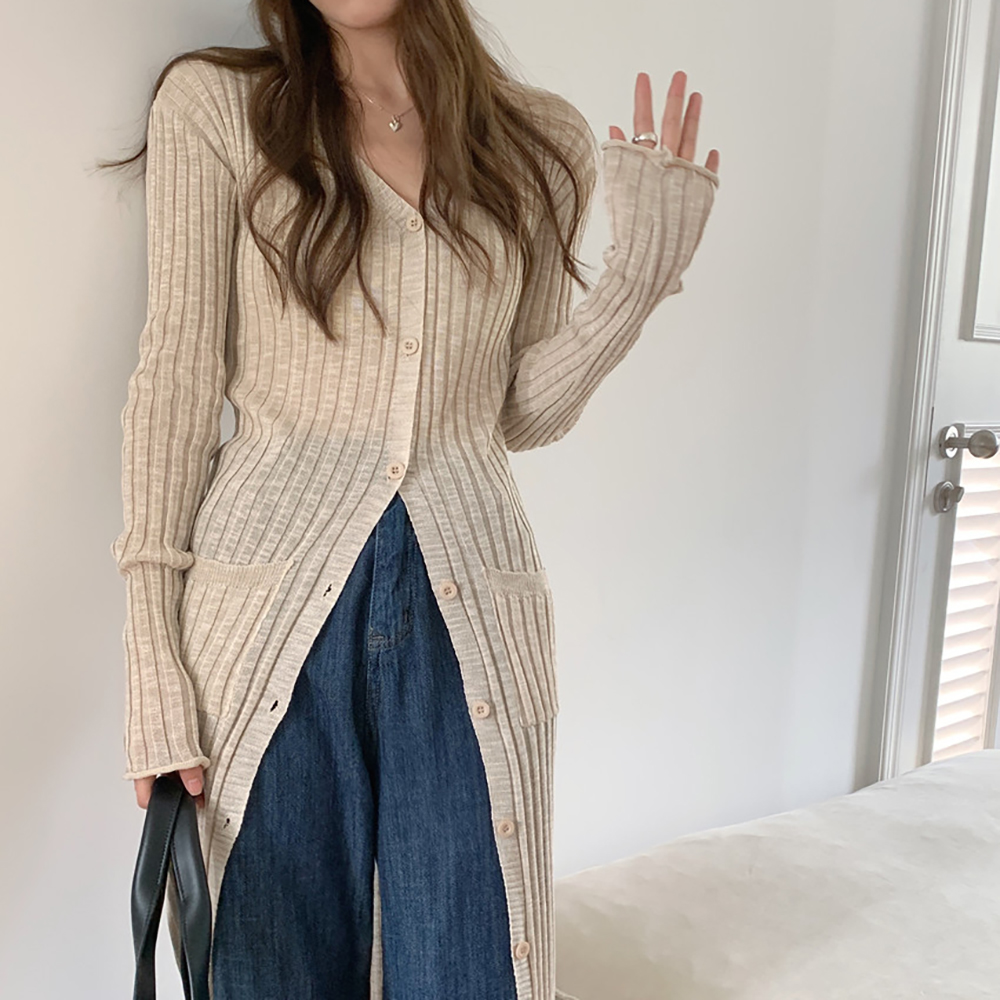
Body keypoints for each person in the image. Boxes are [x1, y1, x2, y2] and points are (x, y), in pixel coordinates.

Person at [105, 0, 721, 996]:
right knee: (266, 973)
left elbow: (516, 412)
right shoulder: (218, 108)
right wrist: (151, 665)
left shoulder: (541, 142)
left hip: (466, 613)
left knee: (474, 968)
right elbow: (175, 383)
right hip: (260, 622)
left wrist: (636, 284)